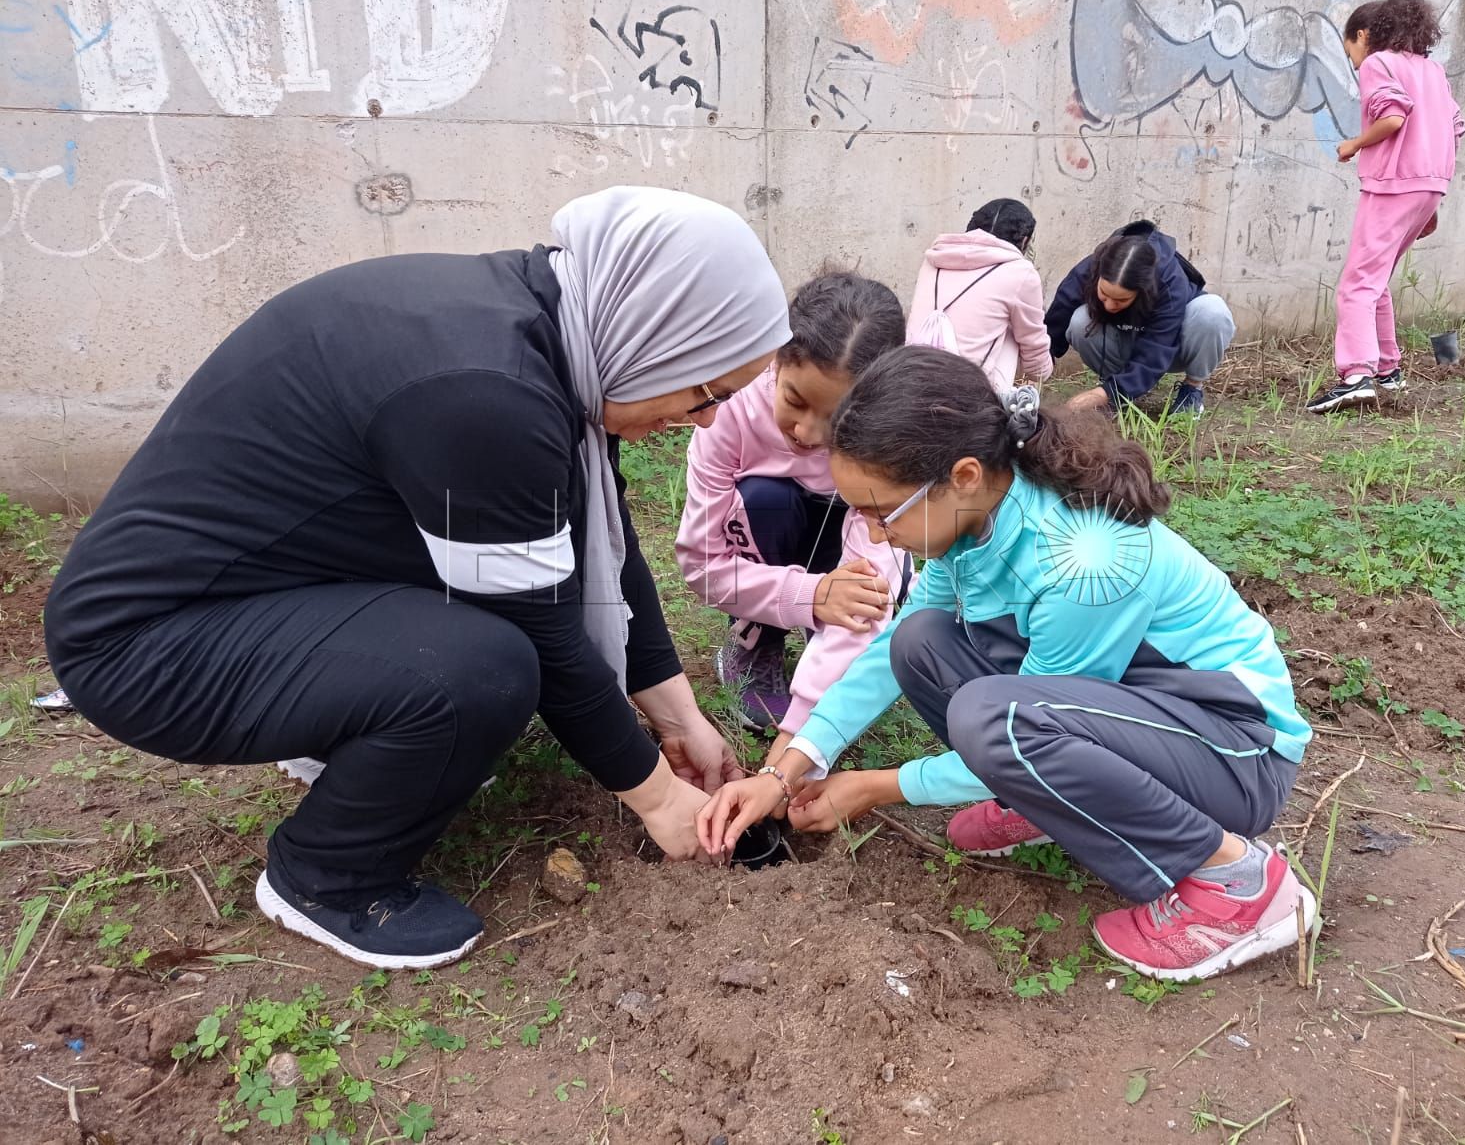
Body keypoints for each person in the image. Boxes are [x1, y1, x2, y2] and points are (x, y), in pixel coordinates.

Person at [44, 186, 790, 970]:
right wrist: (662, 801)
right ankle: (326, 878)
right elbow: (545, 631)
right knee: (484, 668)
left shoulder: (551, 333)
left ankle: (353, 728)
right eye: (704, 391)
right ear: (652, 333)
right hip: (148, 649)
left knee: (495, 643)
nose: (706, 421)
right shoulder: (487, 393)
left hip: (264, 594)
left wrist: (679, 721)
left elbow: (595, 550)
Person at [698, 349, 1314, 982]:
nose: (876, 537)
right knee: (921, 642)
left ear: (962, 474)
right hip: (1144, 722)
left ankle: (1237, 881)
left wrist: (880, 786)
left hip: (1239, 754)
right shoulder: (975, 518)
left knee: (994, 715)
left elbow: (1024, 716)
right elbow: (899, 642)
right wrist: (788, 766)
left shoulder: (1085, 560)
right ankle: (1041, 799)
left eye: (884, 513)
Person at [676, 271, 914, 735]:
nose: (808, 433)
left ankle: (823, 635)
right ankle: (757, 637)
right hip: (767, 536)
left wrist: (806, 726)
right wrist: (810, 596)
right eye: (795, 400)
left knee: (863, 620)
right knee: (767, 499)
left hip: (839, 538)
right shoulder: (730, 413)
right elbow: (703, 564)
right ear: (777, 361)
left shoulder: (885, 433)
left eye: (838, 418)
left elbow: (873, 584)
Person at [1307, 0, 1465, 413]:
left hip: (1394, 183)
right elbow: (1454, 128)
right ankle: (1388, 369)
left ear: (1363, 36)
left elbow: (1393, 117)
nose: (1356, 64)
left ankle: (1356, 374)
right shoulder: (1433, 70)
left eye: (1351, 52)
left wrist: (1354, 145)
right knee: (1374, 280)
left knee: (1356, 285)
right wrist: (1429, 201)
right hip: (1430, 183)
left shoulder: (1379, 63)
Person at [1044, 220, 1234, 416]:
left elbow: (1157, 349)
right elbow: (1057, 319)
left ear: (1143, 290)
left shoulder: (1170, 283)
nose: (1109, 305)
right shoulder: (1091, 267)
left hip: (1172, 347)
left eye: (1121, 299)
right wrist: (1039, 364)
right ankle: (1118, 391)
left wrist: (1105, 394)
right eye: (1103, 294)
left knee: (1212, 313)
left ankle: (1191, 390)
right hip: (1123, 342)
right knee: (1080, 321)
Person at [906, 198, 1054, 391]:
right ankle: (999, 401)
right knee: (1013, 328)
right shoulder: (1020, 272)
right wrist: (1042, 374)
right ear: (1025, 241)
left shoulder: (933, 258)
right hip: (966, 391)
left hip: (908, 377)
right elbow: (1034, 351)